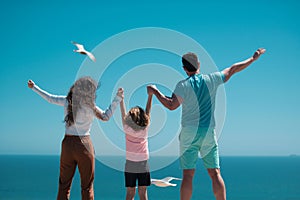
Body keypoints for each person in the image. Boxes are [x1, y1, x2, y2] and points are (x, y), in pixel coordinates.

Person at [147, 48, 266, 200]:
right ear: (199, 65)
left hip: (189, 133)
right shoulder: (212, 79)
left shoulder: (182, 85)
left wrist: (155, 91)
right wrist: (252, 58)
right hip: (208, 131)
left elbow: (171, 105)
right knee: (215, 173)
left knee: (188, 175)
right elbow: (233, 69)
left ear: (184, 68)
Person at [27, 76, 123, 200]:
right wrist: (118, 98)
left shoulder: (67, 101)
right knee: (87, 187)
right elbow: (105, 116)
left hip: (67, 144)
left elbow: (50, 98)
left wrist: (34, 87)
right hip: (84, 145)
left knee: (64, 186)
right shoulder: (91, 107)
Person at [119, 88, 153, 200]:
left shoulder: (126, 128)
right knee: (143, 193)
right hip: (143, 163)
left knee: (130, 193)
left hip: (130, 164)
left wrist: (121, 99)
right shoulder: (145, 128)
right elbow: (148, 110)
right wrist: (150, 96)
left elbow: (123, 114)